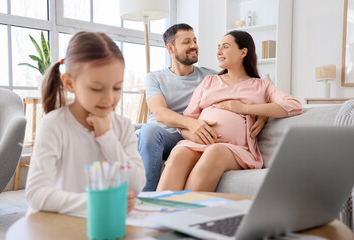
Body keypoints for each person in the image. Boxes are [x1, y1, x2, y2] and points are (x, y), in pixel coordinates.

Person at [156, 30, 302, 192]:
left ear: (243, 52)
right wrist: (197, 137)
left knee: (215, 151)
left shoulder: (261, 85)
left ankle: (190, 214)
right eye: (218, 47)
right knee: (179, 154)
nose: (219, 52)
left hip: (235, 150)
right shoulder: (209, 81)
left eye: (225, 47)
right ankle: (159, 214)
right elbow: (186, 123)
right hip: (199, 143)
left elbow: (293, 105)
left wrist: (245, 108)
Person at [25, 31, 146, 215]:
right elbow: (36, 193)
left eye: (117, 87)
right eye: (96, 88)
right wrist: (98, 203)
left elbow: (136, 185)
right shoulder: (53, 125)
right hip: (56, 226)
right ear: (69, 83)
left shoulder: (122, 126)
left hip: (104, 224)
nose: (109, 98)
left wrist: (107, 137)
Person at [137, 24, 267, 191]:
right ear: (170, 48)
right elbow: (160, 113)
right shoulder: (155, 77)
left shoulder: (211, 76)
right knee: (148, 131)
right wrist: (191, 124)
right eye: (186, 42)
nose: (194, 46)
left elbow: (247, 89)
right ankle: (145, 200)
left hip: (197, 137)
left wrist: (263, 114)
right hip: (165, 136)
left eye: (195, 41)